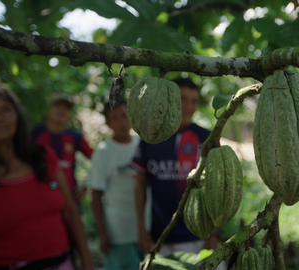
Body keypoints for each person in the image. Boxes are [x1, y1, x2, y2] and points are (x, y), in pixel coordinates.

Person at [0, 84, 93, 269]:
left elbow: (97, 159)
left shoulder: (52, 149)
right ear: (48, 109)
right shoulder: (38, 133)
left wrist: (89, 185)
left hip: (61, 259)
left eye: (5, 110)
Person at [131, 77, 219, 256]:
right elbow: (139, 184)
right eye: (182, 99)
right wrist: (141, 228)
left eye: (193, 101)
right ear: (171, 100)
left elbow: (216, 186)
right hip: (160, 237)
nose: (188, 106)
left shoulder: (206, 138)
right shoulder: (151, 138)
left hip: (198, 235)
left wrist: (214, 232)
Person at [86, 100, 151, 270]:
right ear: (108, 124)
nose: (122, 122)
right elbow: (95, 195)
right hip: (119, 232)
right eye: (115, 118)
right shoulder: (103, 151)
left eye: (124, 115)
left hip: (146, 228)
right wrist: (102, 233)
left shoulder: (143, 145)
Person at [31, 93, 93, 203]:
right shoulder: (35, 134)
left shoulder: (75, 137)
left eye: (66, 107)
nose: (61, 110)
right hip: (39, 196)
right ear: (48, 110)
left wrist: (87, 186)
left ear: (70, 114)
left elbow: (98, 159)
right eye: (57, 106)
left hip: (70, 198)